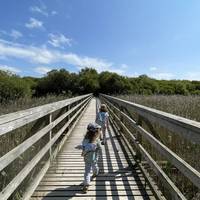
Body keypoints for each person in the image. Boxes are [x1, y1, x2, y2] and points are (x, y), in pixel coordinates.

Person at [81, 122, 101, 193]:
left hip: (87, 158)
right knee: (95, 165)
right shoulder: (97, 140)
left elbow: (83, 148)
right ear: (96, 132)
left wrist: (83, 153)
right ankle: (95, 173)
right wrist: (97, 149)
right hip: (94, 157)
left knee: (87, 171)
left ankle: (86, 185)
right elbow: (100, 148)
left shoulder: (85, 140)